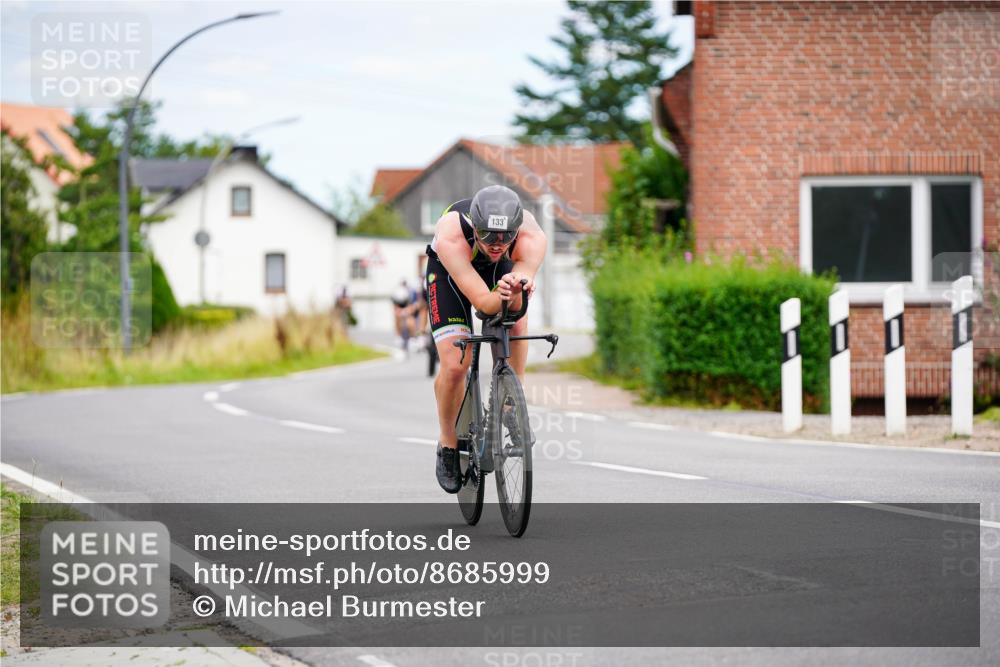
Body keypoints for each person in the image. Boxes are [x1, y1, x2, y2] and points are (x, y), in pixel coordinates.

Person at [425, 185, 546, 493]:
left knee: (516, 315)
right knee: (456, 364)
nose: (496, 244)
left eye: (505, 237)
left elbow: (514, 299)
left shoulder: (532, 238)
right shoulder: (452, 234)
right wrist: (500, 296)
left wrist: (516, 290)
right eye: (487, 235)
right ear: (474, 226)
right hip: (450, 273)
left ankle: (511, 402)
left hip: (498, 272)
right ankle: (448, 442)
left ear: (516, 231)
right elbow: (483, 302)